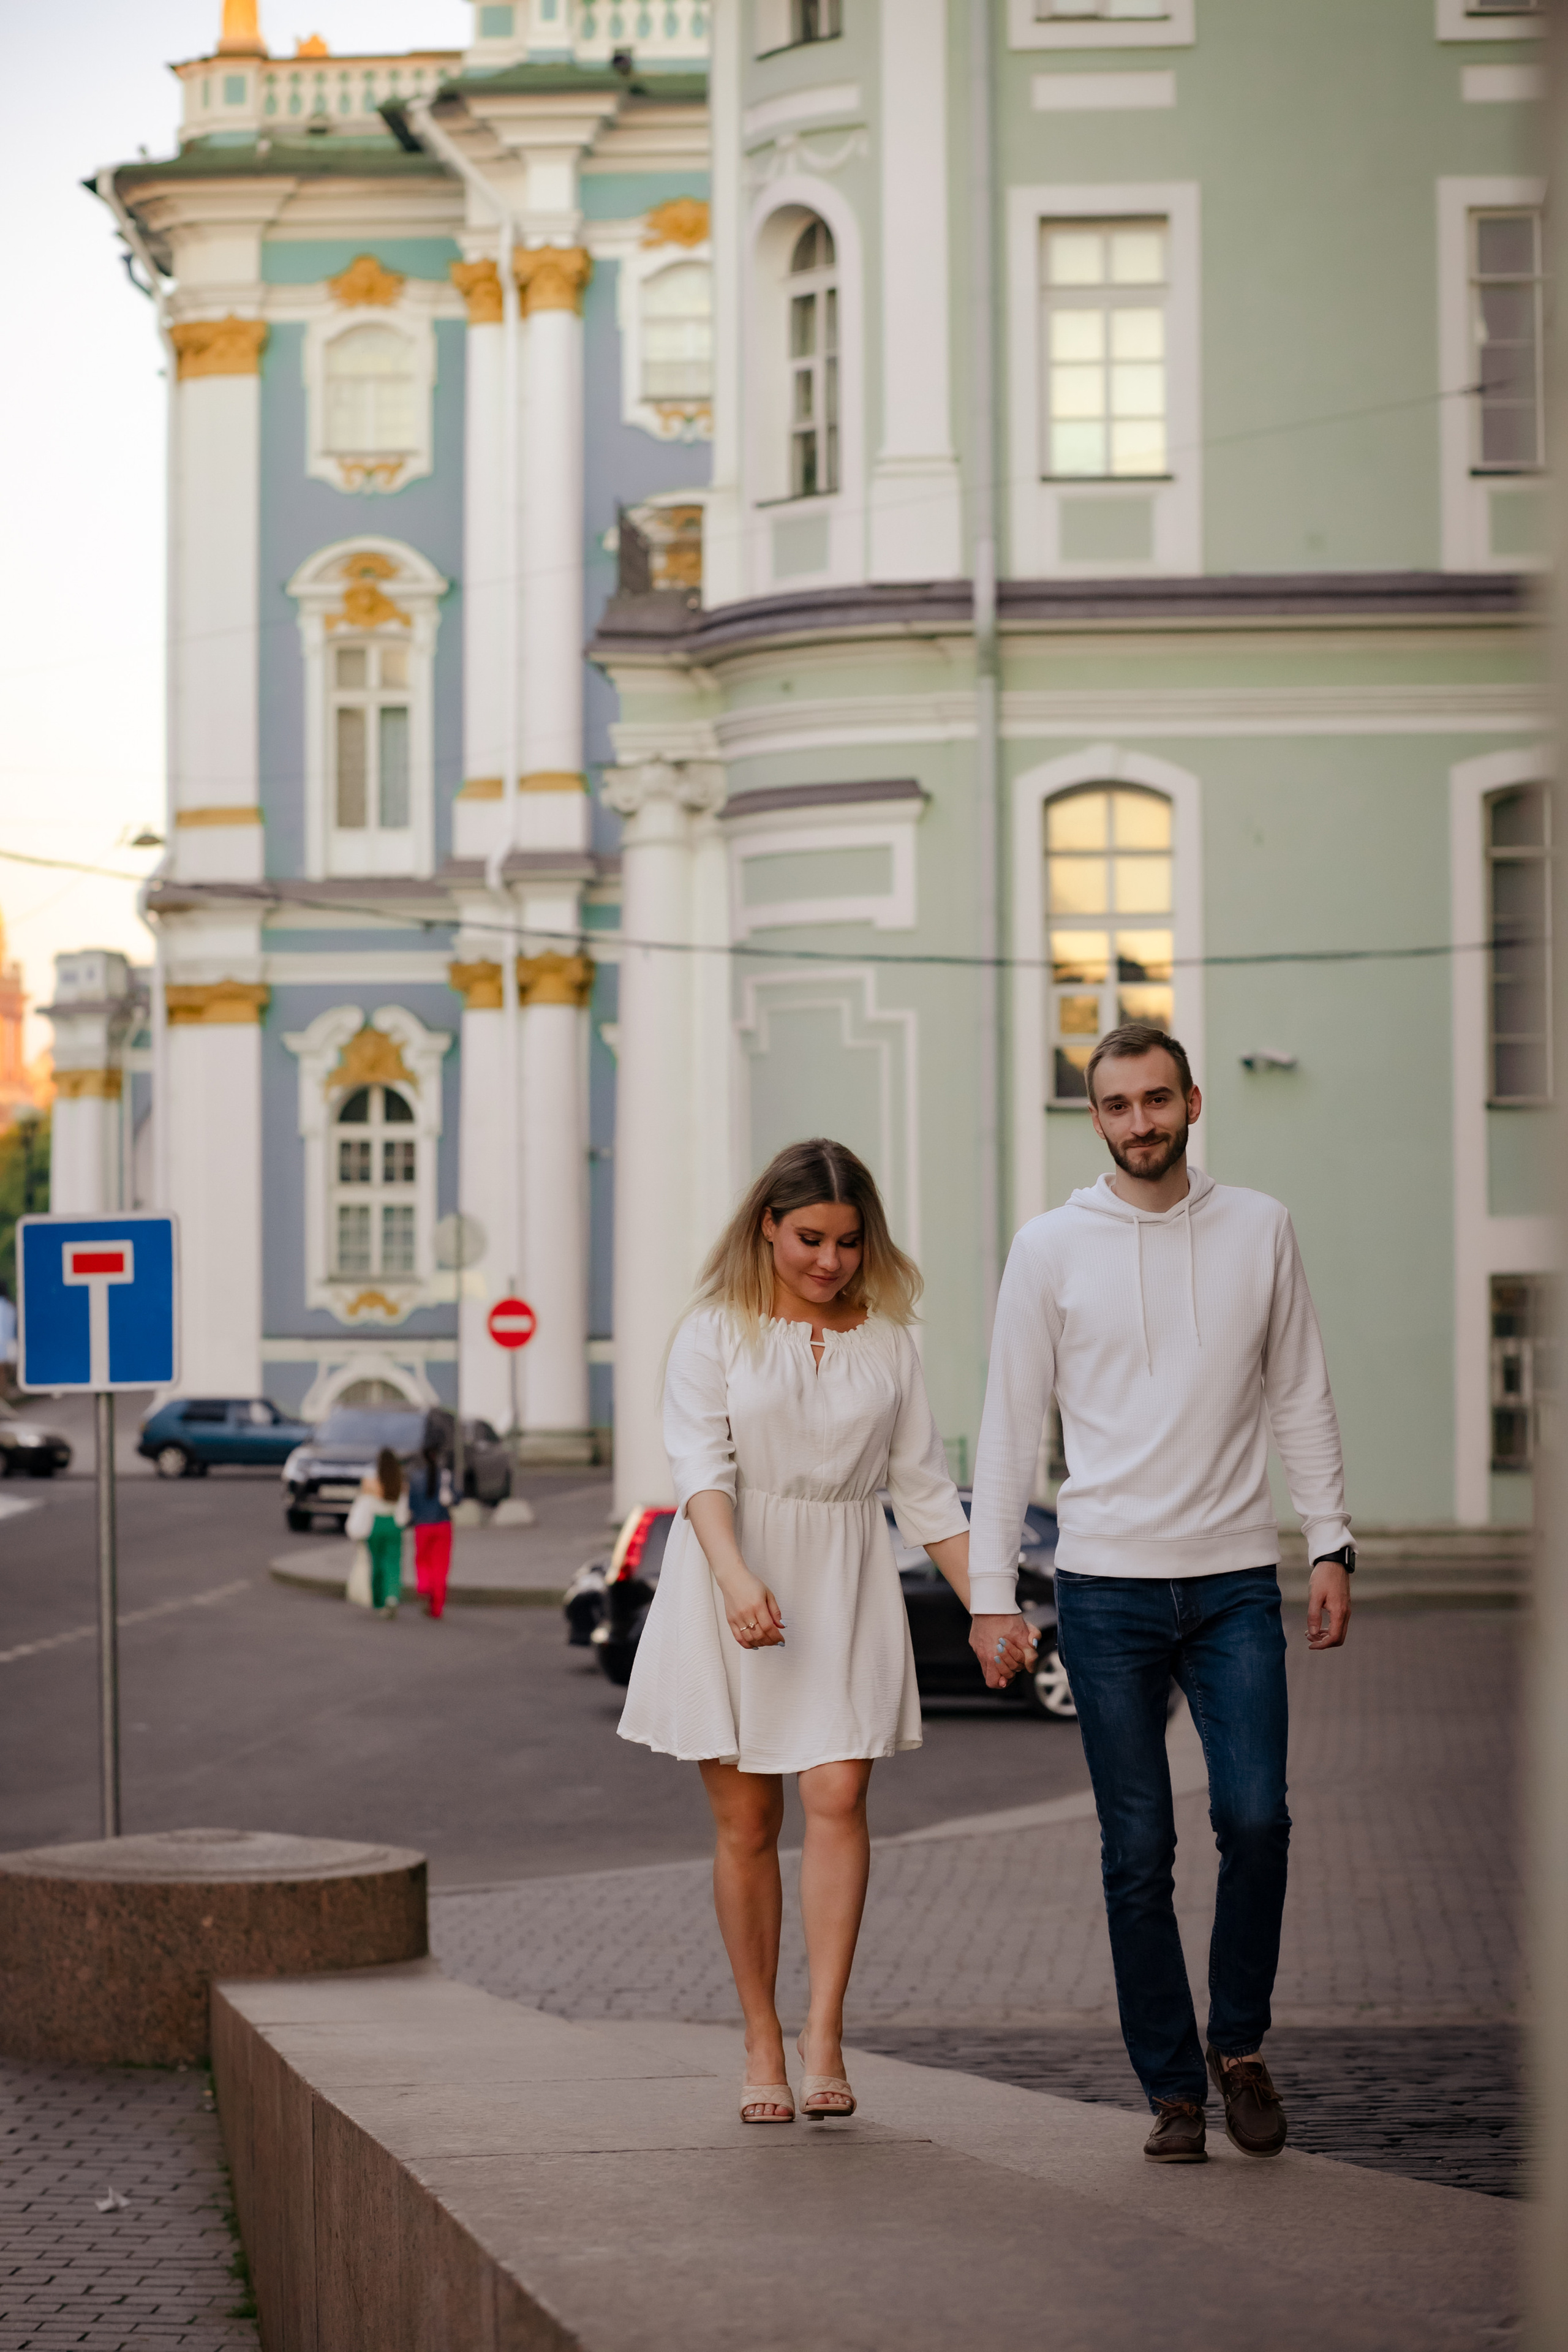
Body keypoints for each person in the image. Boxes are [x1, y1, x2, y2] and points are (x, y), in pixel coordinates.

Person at [967, 1020, 1353, 2166]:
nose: (1139, 1122)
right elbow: (1007, 1430)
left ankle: (1238, 2047)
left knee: (1257, 1819)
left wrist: (1330, 1542)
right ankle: (1173, 2092)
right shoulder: (1048, 1249)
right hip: (1104, 1587)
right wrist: (995, 1595)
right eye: (1116, 1105)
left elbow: (1302, 1393)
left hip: (1236, 1579)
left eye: (1156, 1099)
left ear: (1192, 1103)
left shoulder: (1261, 1228)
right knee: (1136, 1851)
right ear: (1095, 1120)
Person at [619, 1137, 1034, 2125]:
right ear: (767, 1224)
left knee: (839, 1793)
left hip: (843, 1578)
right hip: (733, 1568)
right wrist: (733, 1578)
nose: (829, 1261)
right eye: (810, 1237)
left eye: (848, 1243)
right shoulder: (712, 1332)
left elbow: (928, 1493)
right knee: (748, 1824)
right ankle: (760, 2035)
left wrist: (992, 1606)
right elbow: (699, 1470)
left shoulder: (888, 1341)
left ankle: (825, 2033)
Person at [345, 1447, 410, 1618]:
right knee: (393, 1564)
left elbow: (364, 1503)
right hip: (393, 1524)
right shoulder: (399, 1481)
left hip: (376, 1524)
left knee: (377, 1563)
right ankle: (392, 1598)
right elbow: (404, 1507)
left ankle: (379, 1600)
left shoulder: (371, 1481)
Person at [407, 1430, 455, 1619]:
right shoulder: (445, 1476)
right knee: (441, 1565)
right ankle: (437, 1607)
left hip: (422, 1526)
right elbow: (456, 1499)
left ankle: (425, 1586)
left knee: (423, 1560)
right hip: (443, 1524)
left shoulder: (416, 1477)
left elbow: (411, 1503)